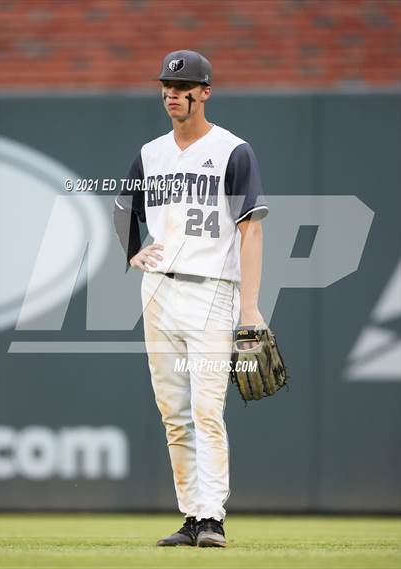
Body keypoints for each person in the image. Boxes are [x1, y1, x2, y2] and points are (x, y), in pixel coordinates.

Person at [113, 49, 269, 548]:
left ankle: (213, 518)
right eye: (167, 85)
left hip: (212, 291)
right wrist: (133, 251)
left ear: (205, 92)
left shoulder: (232, 151)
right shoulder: (150, 153)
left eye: (183, 87)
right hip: (158, 290)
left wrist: (250, 307)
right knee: (173, 413)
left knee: (206, 409)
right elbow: (121, 208)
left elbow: (251, 232)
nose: (172, 93)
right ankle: (189, 516)